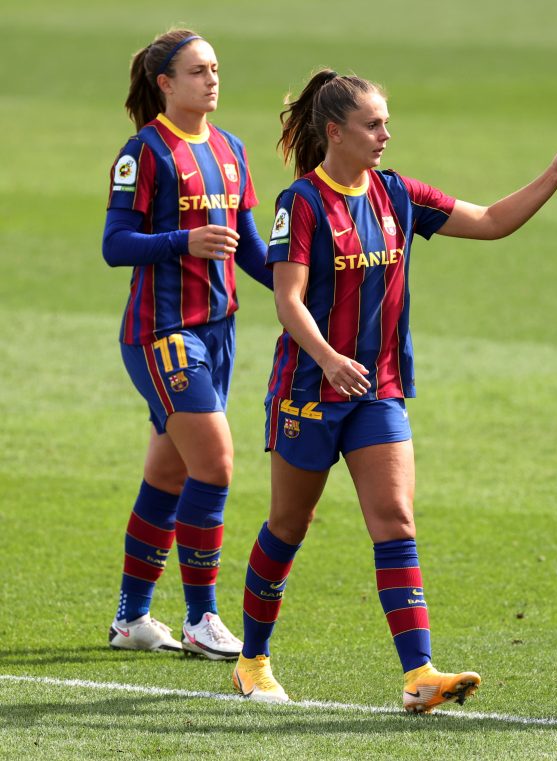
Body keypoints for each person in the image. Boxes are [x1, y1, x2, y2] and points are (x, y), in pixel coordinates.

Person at [231, 69, 557, 710]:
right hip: (310, 390)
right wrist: (330, 357)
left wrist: (553, 178)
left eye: (387, 122)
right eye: (373, 124)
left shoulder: (397, 195)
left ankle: (419, 675)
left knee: (395, 521)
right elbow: (288, 299)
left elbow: (491, 221)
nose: (386, 135)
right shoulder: (301, 203)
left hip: (378, 393)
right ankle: (252, 661)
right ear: (335, 132)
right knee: (289, 524)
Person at [102, 28, 273, 660]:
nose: (212, 80)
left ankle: (131, 619)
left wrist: (303, 290)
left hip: (219, 330)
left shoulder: (231, 149)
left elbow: (250, 249)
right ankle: (203, 617)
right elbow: (115, 244)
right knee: (215, 465)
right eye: (198, 71)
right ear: (165, 84)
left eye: (216, 69)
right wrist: (182, 241)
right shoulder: (144, 152)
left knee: (170, 472)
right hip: (162, 333)